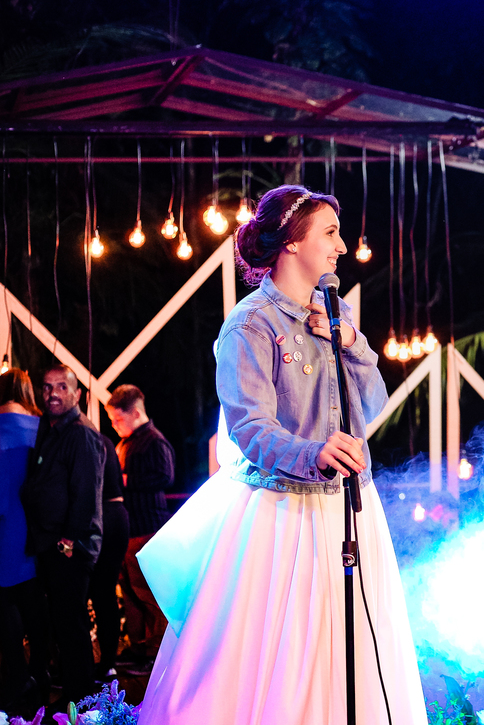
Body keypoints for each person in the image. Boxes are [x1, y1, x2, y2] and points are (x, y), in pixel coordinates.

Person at [136, 185, 427, 725]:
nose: (341, 247)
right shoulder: (250, 324)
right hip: (282, 515)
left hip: (348, 507)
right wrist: (314, 452)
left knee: (350, 651)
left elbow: (373, 404)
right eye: (330, 233)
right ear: (292, 241)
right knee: (280, 656)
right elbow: (249, 428)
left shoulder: (333, 315)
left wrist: (352, 343)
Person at [20, 365, 107, 705]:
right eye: (46, 387)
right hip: (53, 545)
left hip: (70, 548)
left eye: (61, 387)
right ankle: (75, 699)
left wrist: (69, 539)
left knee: (71, 629)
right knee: (64, 626)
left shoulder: (81, 433)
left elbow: (86, 492)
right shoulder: (52, 429)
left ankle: (81, 703)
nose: (52, 394)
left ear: (77, 394)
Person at [0, 369, 51, 711]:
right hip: (34, 519)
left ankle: (19, 676)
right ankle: (38, 673)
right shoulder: (40, 422)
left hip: (8, 518)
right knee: (31, 595)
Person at [105, 384, 175, 672]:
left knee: (148, 594)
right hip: (130, 530)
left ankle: (156, 654)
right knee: (131, 594)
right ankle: (138, 649)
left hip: (147, 530)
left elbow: (165, 476)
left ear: (135, 413)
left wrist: (122, 480)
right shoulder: (127, 443)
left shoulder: (154, 441)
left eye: (118, 419)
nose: (114, 425)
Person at [88, 404, 128, 682]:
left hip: (101, 516)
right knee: (106, 594)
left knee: (94, 593)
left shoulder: (85, 440)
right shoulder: (106, 442)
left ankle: (93, 664)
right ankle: (109, 662)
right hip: (118, 515)